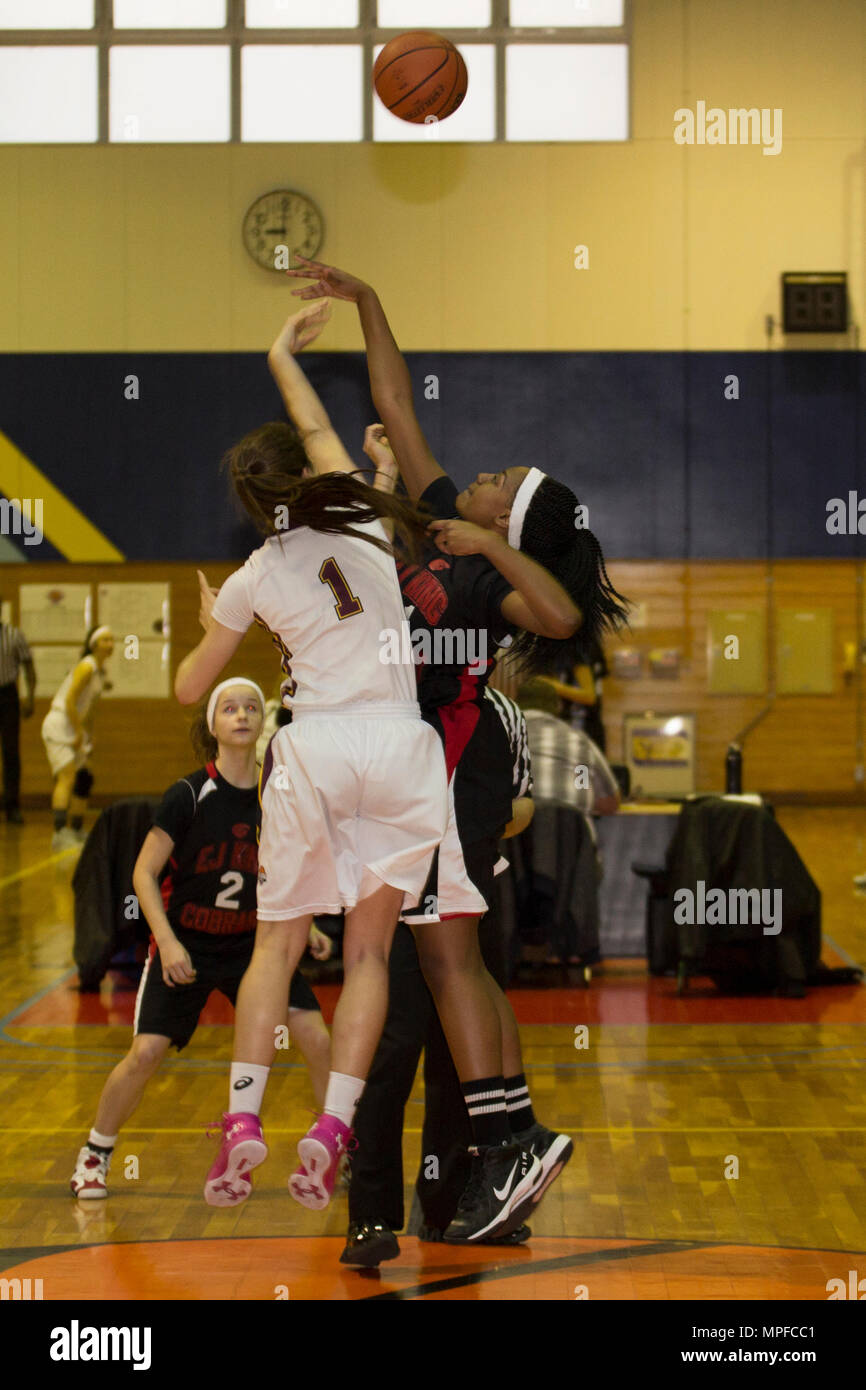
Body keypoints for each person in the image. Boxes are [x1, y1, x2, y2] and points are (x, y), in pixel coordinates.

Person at [286, 256, 629, 1242]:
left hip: (454, 777)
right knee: (453, 964)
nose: (482, 474)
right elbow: (394, 401)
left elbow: (562, 619)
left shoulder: (485, 574)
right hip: (416, 781)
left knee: (447, 965)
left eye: (499, 483)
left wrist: (493, 550)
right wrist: (368, 299)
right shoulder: (438, 524)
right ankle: (510, 1136)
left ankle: (509, 1137)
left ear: (506, 520)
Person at [174, 299, 449, 1212]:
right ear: (307, 472)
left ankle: (242, 1121)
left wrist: (215, 619)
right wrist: (281, 356)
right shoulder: (364, 512)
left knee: (277, 945)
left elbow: (187, 690)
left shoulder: (254, 573)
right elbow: (316, 420)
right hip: (399, 745)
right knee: (368, 955)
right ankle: (333, 1127)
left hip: (317, 744)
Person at [69, 678, 331, 1200]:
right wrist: (166, 942)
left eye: (251, 707)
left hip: (254, 948)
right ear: (212, 725)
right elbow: (144, 873)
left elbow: (281, 873)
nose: (243, 715)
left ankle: (338, 1151)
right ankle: (95, 1153)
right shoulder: (189, 794)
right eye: (230, 708)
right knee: (146, 1052)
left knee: (316, 1036)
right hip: (187, 944)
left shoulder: (276, 796)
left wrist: (310, 925)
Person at [342, 687, 537, 1266]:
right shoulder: (387, 696)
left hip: (465, 889)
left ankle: (450, 1205)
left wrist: (463, 828)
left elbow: (522, 803)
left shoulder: (498, 711)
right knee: (389, 1050)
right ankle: (369, 1216)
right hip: (390, 898)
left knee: (460, 1059)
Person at [514, 676, 620, 965]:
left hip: (514, 858)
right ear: (557, 707)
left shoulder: (502, 737)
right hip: (572, 857)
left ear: (516, 705)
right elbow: (609, 803)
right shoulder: (578, 742)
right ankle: (575, 945)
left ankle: (514, 948)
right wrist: (574, 798)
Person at [41, 626, 114, 851]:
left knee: (84, 777)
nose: (110, 644)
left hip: (75, 728)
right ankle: (59, 833)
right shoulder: (87, 665)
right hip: (59, 725)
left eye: (111, 640)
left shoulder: (99, 672)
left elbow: (89, 710)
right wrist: (78, 732)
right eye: (104, 640)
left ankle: (76, 829)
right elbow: (70, 700)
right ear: (93, 644)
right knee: (67, 777)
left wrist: (88, 737)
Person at [0, 604, 36, 824]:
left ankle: (12, 805)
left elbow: (29, 667)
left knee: (11, 752)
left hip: (7, 695)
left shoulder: (13, 635)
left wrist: (30, 697)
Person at [546, 636, 609, 753]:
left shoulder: (577, 652)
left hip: (582, 726)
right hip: (578, 726)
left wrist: (551, 685)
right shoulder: (573, 652)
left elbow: (589, 696)